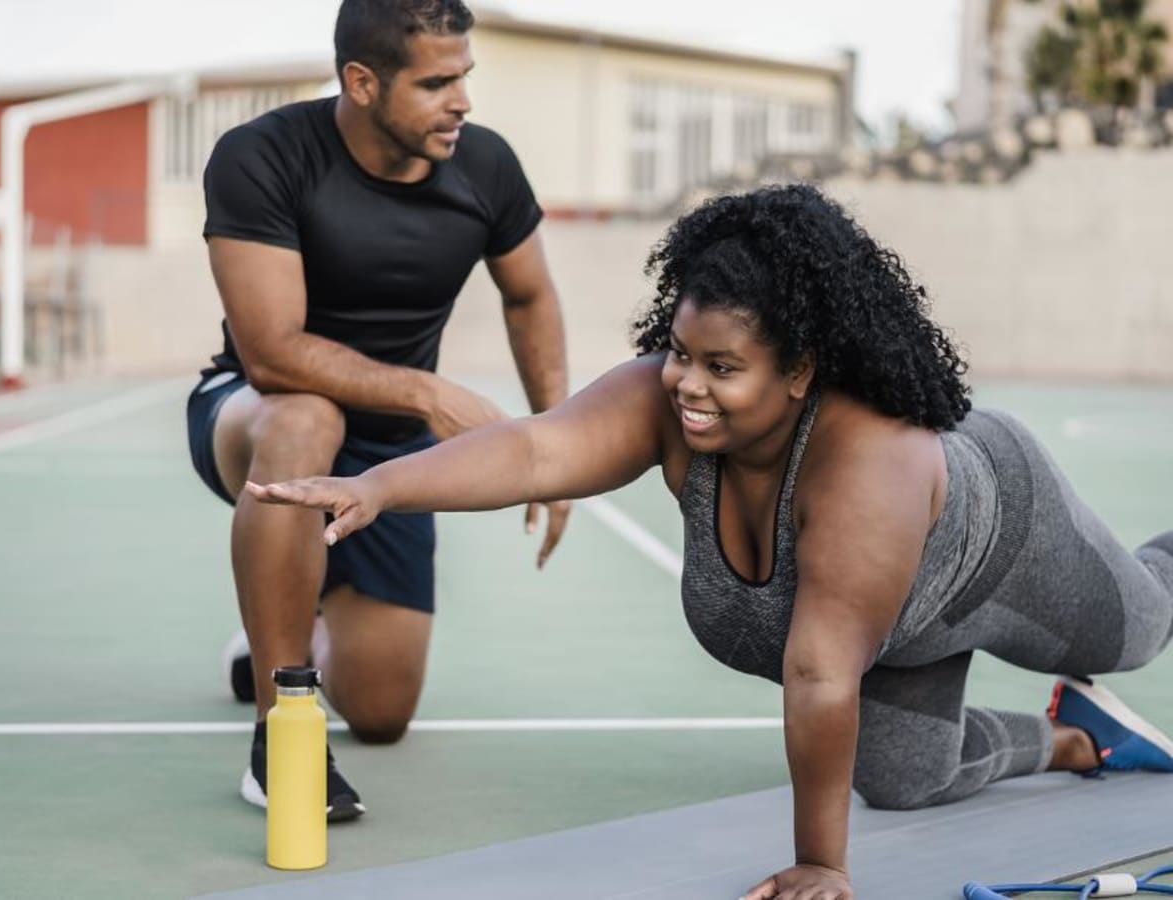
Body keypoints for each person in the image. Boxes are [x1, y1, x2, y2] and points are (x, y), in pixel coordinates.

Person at [247, 182, 1173, 898]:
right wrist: (378, 485)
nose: (686, 382)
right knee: (900, 780)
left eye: (722, 367)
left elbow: (818, 676)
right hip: (886, 621)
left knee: (1136, 632)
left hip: (1001, 539)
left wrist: (820, 865)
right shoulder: (670, 404)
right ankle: (1071, 739)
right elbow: (534, 449)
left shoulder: (868, 468)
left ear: (801, 370)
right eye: (682, 351)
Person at [186, 0, 571, 823]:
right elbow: (271, 353)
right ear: (362, 82)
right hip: (254, 413)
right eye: (436, 82)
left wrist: (561, 441)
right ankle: (279, 734)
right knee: (307, 419)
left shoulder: (487, 168)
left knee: (384, 713)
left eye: (464, 76)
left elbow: (530, 295)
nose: (461, 100)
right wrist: (429, 392)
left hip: (390, 451)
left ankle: (272, 636)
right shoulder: (263, 157)